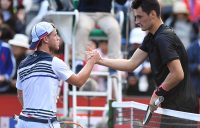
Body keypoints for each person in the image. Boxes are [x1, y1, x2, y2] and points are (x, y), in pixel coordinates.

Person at [89, 0, 199, 127]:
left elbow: (178, 73)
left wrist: (158, 92)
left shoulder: (163, 38)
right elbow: (131, 64)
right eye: (135, 17)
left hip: (181, 109)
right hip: (172, 105)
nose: (136, 21)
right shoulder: (152, 37)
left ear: (152, 14)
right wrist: (100, 60)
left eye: (140, 16)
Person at [15, 21, 100, 128]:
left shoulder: (22, 64)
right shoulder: (54, 62)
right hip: (43, 123)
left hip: (23, 121)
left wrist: (32, 113)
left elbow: (20, 95)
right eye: (55, 35)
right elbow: (79, 81)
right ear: (45, 39)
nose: (58, 38)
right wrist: (92, 60)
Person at [75, 0, 126, 74]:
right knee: (82, 28)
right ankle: (79, 62)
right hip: (85, 14)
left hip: (105, 15)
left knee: (114, 29)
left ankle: (113, 63)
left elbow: (122, 2)